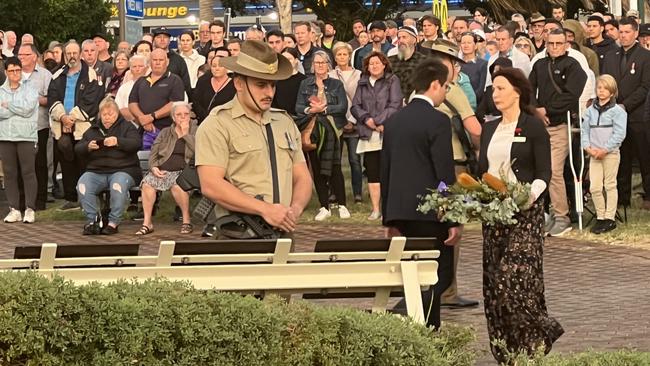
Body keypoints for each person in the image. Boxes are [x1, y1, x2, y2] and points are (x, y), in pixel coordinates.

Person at [478, 67, 563, 364]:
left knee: (514, 280)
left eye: (500, 88)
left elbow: (544, 172)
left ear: (517, 90)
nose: (495, 94)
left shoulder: (533, 125)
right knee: (494, 287)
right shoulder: (489, 128)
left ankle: (540, 334)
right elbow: (482, 173)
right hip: (494, 214)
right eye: (493, 88)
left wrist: (530, 195)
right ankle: (507, 352)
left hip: (525, 212)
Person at [195, 40, 312, 238]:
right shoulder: (217, 124)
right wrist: (264, 209)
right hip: (236, 234)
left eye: (272, 85)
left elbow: (302, 176)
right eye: (261, 85)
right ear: (239, 83)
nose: (269, 93)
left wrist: (295, 210)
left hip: (281, 231)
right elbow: (211, 184)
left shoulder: (284, 122)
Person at [381, 58, 460, 330]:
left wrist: (389, 219)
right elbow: (443, 174)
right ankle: (421, 322)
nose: (446, 93)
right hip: (430, 214)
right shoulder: (437, 120)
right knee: (440, 274)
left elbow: (386, 170)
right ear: (434, 84)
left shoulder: (393, 121)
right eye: (446, 87)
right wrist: (452, 216)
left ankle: (421, 323)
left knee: (412, 271)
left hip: (401, 212)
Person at [529, 29, 587, 236]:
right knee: (538, 171)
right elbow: (528, 89)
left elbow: (572, 96)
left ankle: (562, 215)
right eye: (551, 43)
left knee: (554, 171)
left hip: (560, 125)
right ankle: (545, 213)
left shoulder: (573, 66)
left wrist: (548, 109)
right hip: (539, 125)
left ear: (566, 44)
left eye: (558, 43)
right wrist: (535, 109)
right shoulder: (539, 64)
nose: (554, 47)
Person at [48, 40, 105, 211]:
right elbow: (52, 97)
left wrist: (71, 118)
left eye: (74, 53)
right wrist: (63, 117)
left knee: (84, 160)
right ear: (64, 55)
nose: (72, 57)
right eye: (68, 54)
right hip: (62, 125)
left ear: (80, 54)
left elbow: (92, 101)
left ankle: (87, 197)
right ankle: (72, 199)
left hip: (83, 127)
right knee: (66, 159)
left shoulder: (92, 75)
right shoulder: (57, 75)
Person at [296, 50, 350, 221]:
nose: (319, 66)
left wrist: (325, 109)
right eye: (317, 62)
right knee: (317, 169)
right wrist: (310, 110)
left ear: (328, 64)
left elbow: (342, 107)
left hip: (333, 130)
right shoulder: (305, 84)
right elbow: (298, 106)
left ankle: (342, 205)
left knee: (335, 167)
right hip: (313, 131)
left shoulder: (336, 84)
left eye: (323, 62)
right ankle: (323, 206)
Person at [75, 97, 142, 235]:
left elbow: (136, 144)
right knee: (82, 185)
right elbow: (77, 148)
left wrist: (118, 142)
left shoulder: (127, 126)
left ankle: (113, 222)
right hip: (96, 171)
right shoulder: (93, 129)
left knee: (117, 186)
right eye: (104, 114)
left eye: (111, 114)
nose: (107, 118)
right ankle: (93, 220)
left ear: (117, 114)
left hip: (123, 169)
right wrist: (88, 146)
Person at [603, 17, 650, 210]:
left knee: (644, 156)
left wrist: (625, 105)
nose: (623, 36)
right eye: (620, 32)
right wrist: (613, 105)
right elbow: (605, 81)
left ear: (636, 33)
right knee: (620, 158)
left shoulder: (645, 56)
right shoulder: (611, 55)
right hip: (615, 115)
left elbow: (645, 86)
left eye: (627, 32)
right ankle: (622, 198)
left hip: (638, 116)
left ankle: (648, 196)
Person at [350, 51, 402, 219]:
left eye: (377, 63)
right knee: (372, 171)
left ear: (384, 64)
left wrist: (379, 122)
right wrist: (368, 121)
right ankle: (375, 209)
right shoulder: (362, 82)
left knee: (389, 171)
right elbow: (355, 105)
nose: (374, 66)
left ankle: (390, 208)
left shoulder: (392, 80)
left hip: (387, 132)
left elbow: (395, 104)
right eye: (371, 64)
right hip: (368, 132)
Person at [136, 102, 196, 235]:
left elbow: (199, 151)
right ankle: (147, 223)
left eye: (186, 114)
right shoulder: (165, 132)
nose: (183, 117)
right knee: (147, 184)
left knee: (177, 186)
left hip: (184, 171)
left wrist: (186, 134)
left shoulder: (196, 130)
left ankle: (186, 221)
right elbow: (154, 152)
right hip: (163, 170)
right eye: (179, 115)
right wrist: (153, 167)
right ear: (173, 118)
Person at [581, 75, 626, 234]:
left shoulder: (617, 111)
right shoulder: (589, 111)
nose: (601, 91)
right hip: (594, 154)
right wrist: (588, 148)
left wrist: (605, 149)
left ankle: (609, 217)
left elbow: (619, 134)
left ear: (612, 92)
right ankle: (600, 216)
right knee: (594, 187)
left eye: (605, 88)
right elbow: (584, 132)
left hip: (610, 153)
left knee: (610, 185)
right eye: (599, 88)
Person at [0, 57, 39, 223]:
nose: (15, 73)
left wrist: (8, 105)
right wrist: (15, 107)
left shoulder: (30, 88)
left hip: (26, 136)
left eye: (18, 70)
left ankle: (30, 209)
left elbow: (28, 109)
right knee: (9, 174)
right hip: (5, 136)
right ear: (6, 72)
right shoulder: (1, 91)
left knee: (28, 172)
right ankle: (14, 209)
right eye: (11, 71)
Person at [17, 44, 52, 211]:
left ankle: (40, 199)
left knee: (39, 164)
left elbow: (50, 98)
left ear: (34, 56)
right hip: (16, 126)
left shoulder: (45, 75)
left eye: (25, 54)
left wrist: (32, 100)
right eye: (20, 54)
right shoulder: (12, 73)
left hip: (38, 125)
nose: (21, 57)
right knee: (19, 164)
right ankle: (22, 200)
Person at [128, 48, 185, 149]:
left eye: (161, 60)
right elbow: (132, 102)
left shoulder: (175, 80)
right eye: (154, 60)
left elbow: (175, 103)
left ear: (167, 62)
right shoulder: (141, 81)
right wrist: (142, 118)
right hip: (143, 131)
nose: (157, 63)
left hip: (167, 132)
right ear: (150, 62)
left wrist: (152, 116)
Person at [329, 42, 363, 203]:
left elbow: (361, 98)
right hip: (337, 122)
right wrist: (343, 120)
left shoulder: (359, 74)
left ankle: (357, 193)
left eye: (344, 54)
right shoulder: (330, 75)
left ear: (349, 56)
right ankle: (335, 192)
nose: (342, 57)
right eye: (339, 55)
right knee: (335, 160)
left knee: (355, 160)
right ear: (334, 57)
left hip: (355, 121)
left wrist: (353, 120)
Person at [193, 47, 236, 124]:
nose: (217, 68)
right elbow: (196, 102)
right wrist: (207, 118)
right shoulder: (203, 81)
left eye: (220, 66)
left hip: (227, 123)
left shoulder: (234, 84)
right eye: (214, 66)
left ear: (226, 67)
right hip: (204, 122)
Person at [388, 25, 430, 98]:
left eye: (404, 37)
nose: (401, 41)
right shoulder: (390, 61)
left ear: (414, 40)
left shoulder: (424, 61)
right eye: (399, 38)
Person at [151, 27, 192, 100]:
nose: (162, 39)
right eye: (159, 37)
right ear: (153, 40)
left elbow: (186, 85)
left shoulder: (179, 60)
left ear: (169, 40)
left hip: (174, 101)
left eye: (165, 37)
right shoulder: (149, 59)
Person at [272, 47, 306, 117]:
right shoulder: (276, 80)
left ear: (296, 60)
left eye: (289, 59)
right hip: (278, 118)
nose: (286, 62)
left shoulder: (304, 80)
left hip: (299, 118)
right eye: (284, 59)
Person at [459, 31, 488, 104]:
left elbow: (481, 90)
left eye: (469, 43)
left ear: (475, 46)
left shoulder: (483, 64)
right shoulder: (456, 64)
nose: (466, 45)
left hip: (475, 104)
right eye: (463, 43)